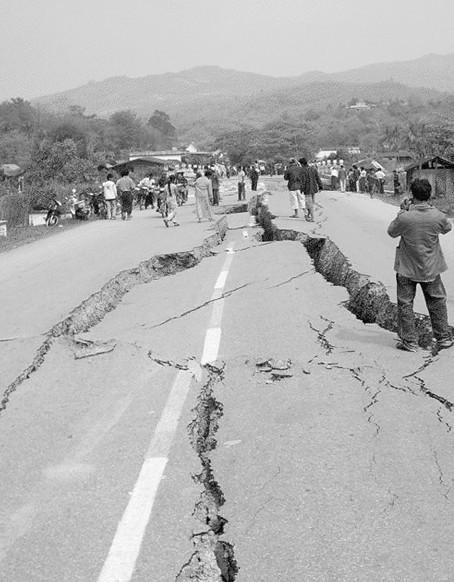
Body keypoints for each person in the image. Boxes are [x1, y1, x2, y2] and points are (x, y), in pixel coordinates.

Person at [387, 178, 453, 352]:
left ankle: (409, 341)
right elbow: (447, 228)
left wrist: (402, 211)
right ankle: (444, 338)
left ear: (412, 194)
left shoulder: (405, 217)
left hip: (407, 268)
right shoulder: (438, 215)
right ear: (429, 194)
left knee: (405, 304)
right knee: (437, 302)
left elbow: (391, 232)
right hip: (431, 268)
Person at [300, 158, 323, 222]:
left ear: (301, 164)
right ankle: (309, 215)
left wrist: (301, 189)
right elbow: (318, 178)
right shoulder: (313, 169)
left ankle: (312, 217)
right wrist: (320, 186)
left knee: (309, 204)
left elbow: (303, 181)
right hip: (314, 188)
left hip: (307, 189)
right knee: (312, 202)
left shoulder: (302, 171)